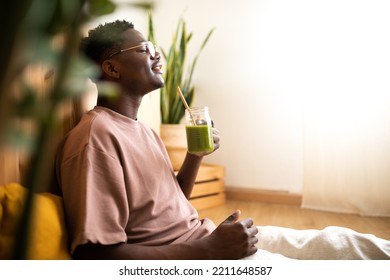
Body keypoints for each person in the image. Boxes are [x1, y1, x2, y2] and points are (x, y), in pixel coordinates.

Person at [55, 20, 390, 260]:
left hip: (203, 240)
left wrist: (196, 155)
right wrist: (207, 252)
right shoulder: (94, 139)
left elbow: (171, 203)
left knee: (341, 241)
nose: (157, 56)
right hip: (192, 258)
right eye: (145, 49)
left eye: (154, 48)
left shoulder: (141, 129)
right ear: (112, 69)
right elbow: (94, 254)